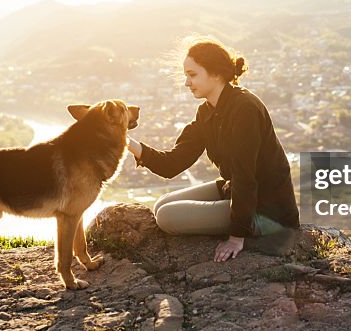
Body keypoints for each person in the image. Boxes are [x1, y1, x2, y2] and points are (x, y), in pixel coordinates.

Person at [127, 39, 299, 262]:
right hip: (235, 188)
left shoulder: (245, 108)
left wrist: (237, 237)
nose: (187, 83)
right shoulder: (207, 112)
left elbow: (245, 177)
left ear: (216, 74)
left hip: (265, 209)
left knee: (167, 217)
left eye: (192, 75)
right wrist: (126, 142)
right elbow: (173, 163)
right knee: (161, 205)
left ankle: (248, 226)